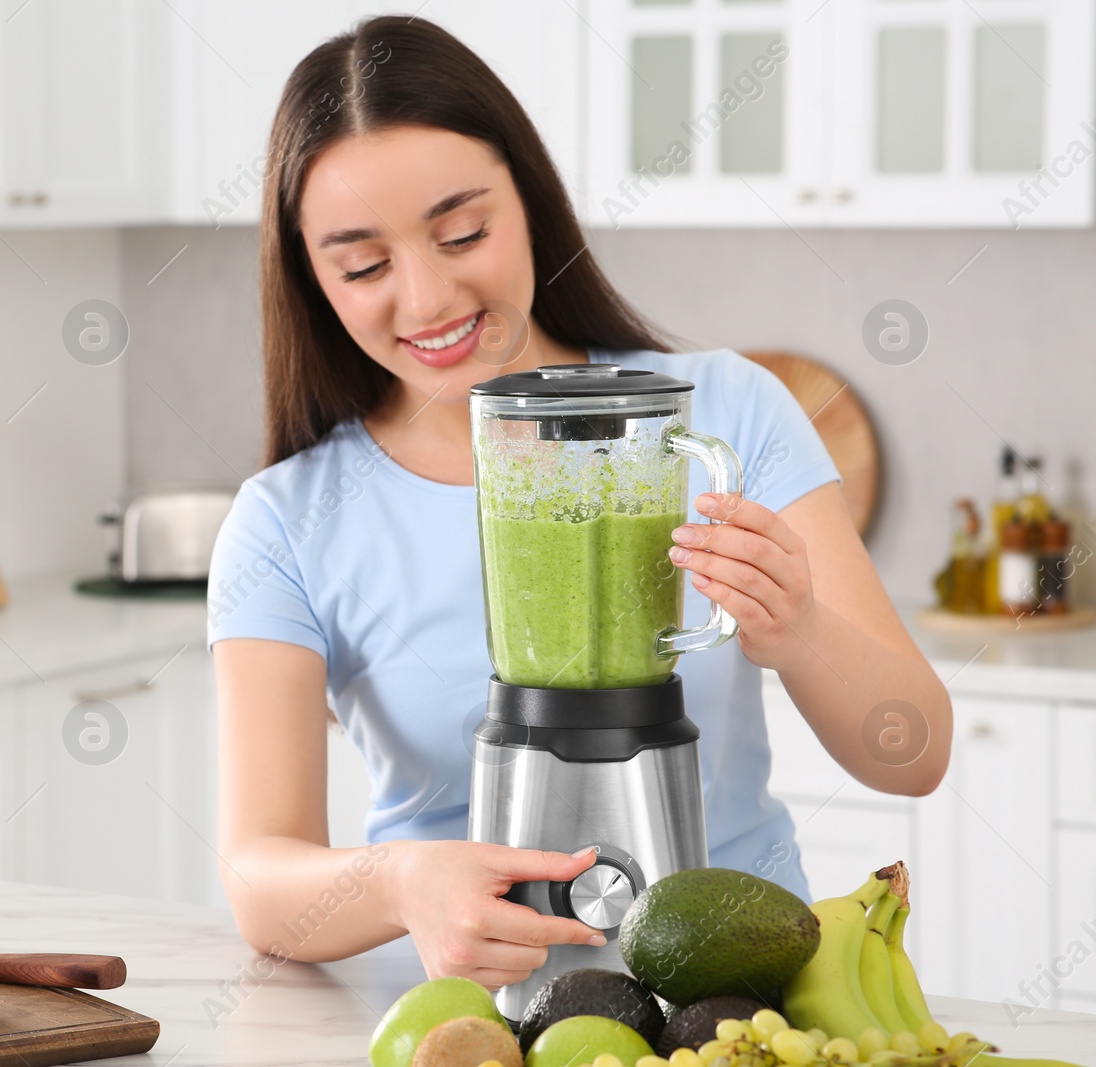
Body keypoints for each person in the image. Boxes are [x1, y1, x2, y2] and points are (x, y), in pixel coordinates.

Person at [206, 15, 952, 992]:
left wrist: (800, 627)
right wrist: (403, 882)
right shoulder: (286, 519)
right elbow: (261, 876)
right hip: (464, 1022)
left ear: (530, 200)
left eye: (462, 231)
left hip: (737, 1008)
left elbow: (914, 750)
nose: (427, 298)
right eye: (364, 265)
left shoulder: (723, 413)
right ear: (311, 277)